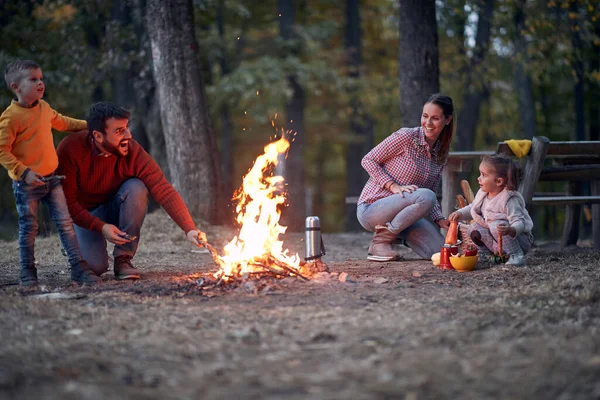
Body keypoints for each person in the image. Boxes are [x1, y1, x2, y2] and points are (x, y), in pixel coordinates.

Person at [56, 101, 207, 280]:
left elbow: (163, 188)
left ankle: (123, 258)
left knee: (136, 187)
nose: (128, 135)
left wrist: (189, 228)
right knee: (95, 267)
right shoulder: (71, 149)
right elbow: (67, 204)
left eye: (127, 127)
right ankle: (73, 243)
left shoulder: (132, 150)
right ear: (98, 136)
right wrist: (101, 227)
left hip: (114, 206)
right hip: (83, 214)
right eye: (119, 131)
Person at [0, 60, 101, 286]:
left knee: (65, 223)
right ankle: (27, 272)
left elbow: (63, 122)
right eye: (33, 79)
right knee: (29, 228)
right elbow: (2, 151)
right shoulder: (10, 117)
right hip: (27, 185)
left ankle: (78, 268)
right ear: (16, 87)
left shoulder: (44, 108)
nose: (40, 83)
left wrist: (89, 125)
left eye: (41, 78)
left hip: (52, 180)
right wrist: (24, 172)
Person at [357, 94, 454, 261]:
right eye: (425, 116)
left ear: (447, 120)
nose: (428, 123)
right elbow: (368, 160)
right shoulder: (406, 137)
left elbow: (430, 190)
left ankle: (397, 233)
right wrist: (393, 186)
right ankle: (380, 243)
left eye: (435, 118)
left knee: (439, 253)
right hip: (372, 209)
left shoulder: (440, 153)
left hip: (404, 217)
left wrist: (440, 219)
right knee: (426, 196)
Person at [448, 154, 534, 266]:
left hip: (519, 240)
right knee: (473, 228)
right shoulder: (483, 193)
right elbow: (473, 208)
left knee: (496, 225)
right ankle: (486, 254)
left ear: (498, 181)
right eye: (480, 174)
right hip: (497, 239)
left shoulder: (509, 199)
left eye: (483, 175)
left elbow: (520, 222)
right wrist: (460, 213)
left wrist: (510, 230)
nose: (479, 178)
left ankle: (515, 255)